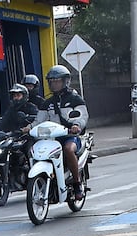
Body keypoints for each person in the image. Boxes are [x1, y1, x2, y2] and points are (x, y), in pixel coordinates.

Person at [42, 64, 88, 201]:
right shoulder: (47, 102)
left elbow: (82, 116)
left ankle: (77, 183)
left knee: (68, 149)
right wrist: (29, 127)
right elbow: (39, 120)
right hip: (52, 139)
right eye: (52, 82)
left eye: (57, 81)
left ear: (65, 81)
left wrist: (76, 125)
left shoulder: (75, 99)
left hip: (70, 137)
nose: (54, 84)